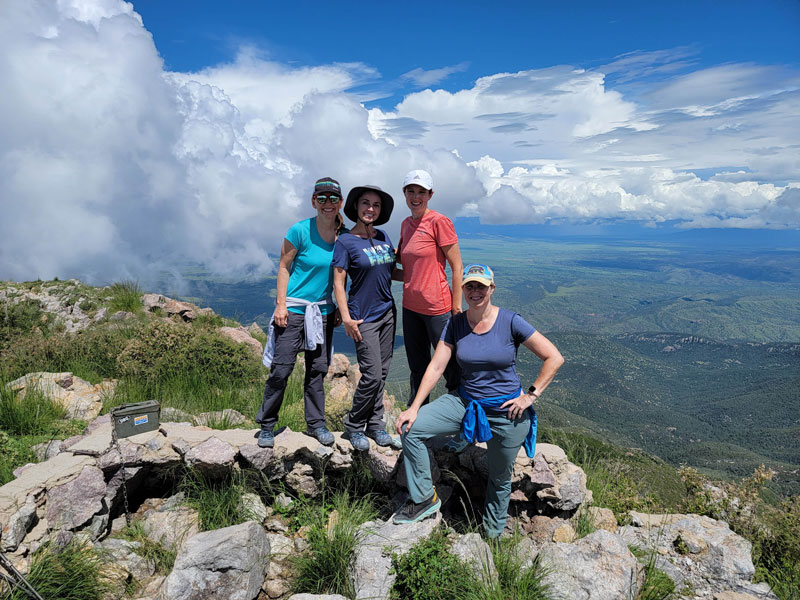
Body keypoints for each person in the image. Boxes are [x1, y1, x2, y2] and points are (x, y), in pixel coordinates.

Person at [393, 264, 564, 538]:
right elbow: (437, 367)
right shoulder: (456, 324)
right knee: (410, 428)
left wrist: (530, 396)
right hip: (466, 403)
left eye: (481, 286)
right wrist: (413, 408)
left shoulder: (510, 321)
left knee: (498, 479)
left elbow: (554, 357)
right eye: (470, 286)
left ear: (492, 289)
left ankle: (492, 536)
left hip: (507, 412)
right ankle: (424, 498)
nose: (475, 292)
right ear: (463, 290)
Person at [256, 177, 346, 448]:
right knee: (281, 370)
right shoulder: (299, 230)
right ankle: (267, 426)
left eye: (333, 199)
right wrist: (280, 305)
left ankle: (316, 424)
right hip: (294, 309)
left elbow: (342, 275)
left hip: (323, 311)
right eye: (322, 198)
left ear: (340, 202)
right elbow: (284, 266)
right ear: (313, 201)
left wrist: (340, 307)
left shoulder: (344, 235)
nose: (327, 204)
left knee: (317, 371)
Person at [332, 185, 400, 451]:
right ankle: (353, 427)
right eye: (365, 203)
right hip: (363, 318)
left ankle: (376, 426)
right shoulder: (346, 241)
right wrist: (347, 318)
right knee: (371, 374)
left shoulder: (383, 236)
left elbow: (390, 271)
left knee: (381, 373)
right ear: (356, 207)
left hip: (387, 312)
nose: (371, 209)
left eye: (376, 205)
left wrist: (426, 272)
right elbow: (339, 282)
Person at [396, 169, 463, 405]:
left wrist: (456, 308)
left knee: (450, 367)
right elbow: (404, 263)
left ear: (430, 194)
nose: (416, 197)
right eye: (411, 191)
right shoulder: (406, 224)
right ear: (404, 194)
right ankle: (417, 418)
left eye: (421, 192)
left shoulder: (439, 222)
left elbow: (457, 266)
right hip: (411, 308)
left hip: (438, 308)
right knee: (417, 367)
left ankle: (463, 417)